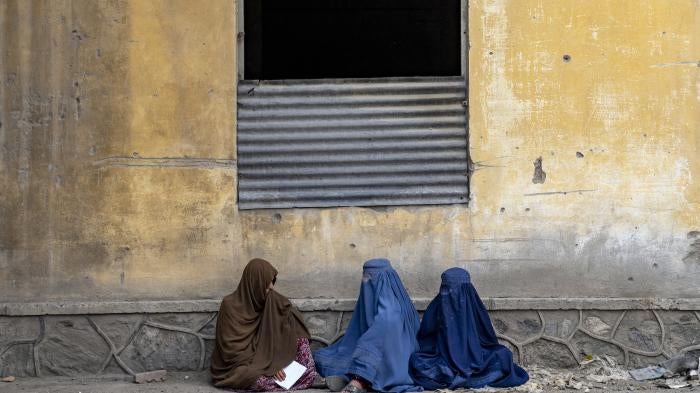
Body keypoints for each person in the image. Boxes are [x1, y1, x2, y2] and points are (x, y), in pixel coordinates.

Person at [313, 258, 422, 393]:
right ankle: (350, 377)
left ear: (385, 278)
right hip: (370, 352)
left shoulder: (391, 312)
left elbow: (375, 341)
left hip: (395, 361)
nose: (366, 281)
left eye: (370, 277)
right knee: (323, 358)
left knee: (359, 364)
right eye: (365, 277)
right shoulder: (371, 300)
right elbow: (356, 333)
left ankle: (358, 381)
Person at [409, 267, 529, 390]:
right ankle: (470, 378)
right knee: (417, 361)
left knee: (503, 354)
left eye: (456, 289)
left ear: (467, 288)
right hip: (442, 355)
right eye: (446, 288)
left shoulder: (474, 306)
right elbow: (426, 338)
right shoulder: (436, 306)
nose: (449, 292)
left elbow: (486, 338)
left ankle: (458, 377)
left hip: (476, 355)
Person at [210, 258, 317, 391]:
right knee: (254, 378)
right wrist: (269, 366)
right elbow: (230, 351)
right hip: (242, 364)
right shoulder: (230, 306)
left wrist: (277, 362)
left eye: (272, 282)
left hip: (268, 358)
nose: (271, 287)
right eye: (266, 283)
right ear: (254, 283)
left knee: (300, 339)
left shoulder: (269, 299)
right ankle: (304, 380)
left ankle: (305, 376)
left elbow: (286, 322)